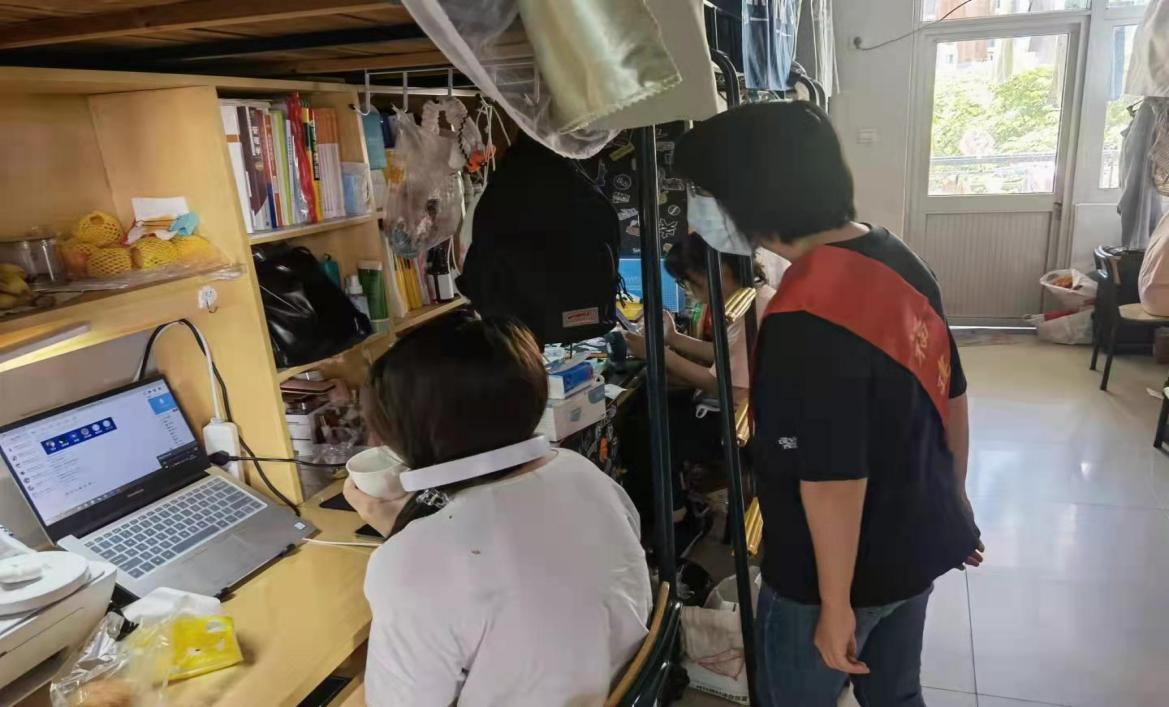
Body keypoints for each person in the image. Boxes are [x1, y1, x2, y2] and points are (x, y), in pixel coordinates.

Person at [672, 101, 984, 706]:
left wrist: (835, 604)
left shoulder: (805, 313)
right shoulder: (896, 255)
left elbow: (833, 477)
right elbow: (952, 393)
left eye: (705, 194)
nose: (700, 212)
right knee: (896, 697)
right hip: (915, 542)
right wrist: (952, 502)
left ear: (750, 195)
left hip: (832, 578)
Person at [344, 310, 652, 706]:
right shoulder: (579, 472)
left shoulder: (411, 564)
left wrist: (405, 541)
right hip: (619, 685)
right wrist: (407, 531)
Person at [623, 231, 780, 396]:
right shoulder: (755, 297)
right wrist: (674, 338)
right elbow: (728, 353)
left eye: (686, 279)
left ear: (721, 270)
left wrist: (656, 354)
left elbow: (725, 386)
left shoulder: (750, 312)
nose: (687, 288)